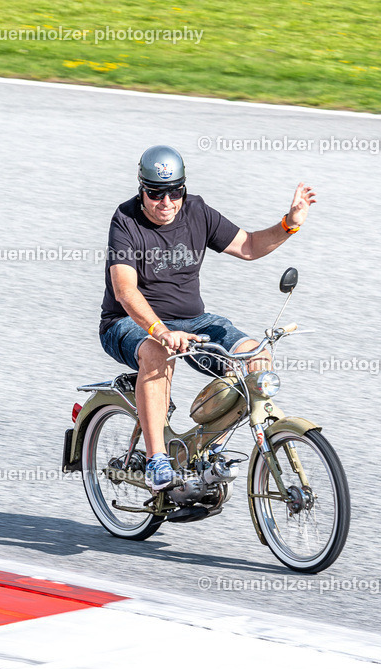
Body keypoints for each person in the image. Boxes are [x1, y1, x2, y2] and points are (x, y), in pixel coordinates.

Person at [99, 145, 315, 491]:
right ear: (142, 189)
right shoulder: (125, 220)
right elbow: (125, 291)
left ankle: (204, 449)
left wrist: (289, 224)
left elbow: (249, 246)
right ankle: (157, 459)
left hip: (193, 321)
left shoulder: (197, 211)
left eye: (174, 192)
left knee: (253, 355)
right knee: (157, 352)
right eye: (156, 193)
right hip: (128, 323)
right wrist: (160, 331)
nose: (166, 202)